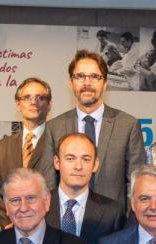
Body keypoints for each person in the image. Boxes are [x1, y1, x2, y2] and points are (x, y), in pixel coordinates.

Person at [41, 50, 147, 210]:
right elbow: (48, 184)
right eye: (80, 76)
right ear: (71, 83)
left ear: (105, 84)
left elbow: (136, 184)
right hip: (66, 224)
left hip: (113, 226)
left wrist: (126, 226)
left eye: (94, 77)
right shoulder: (53, 127)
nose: (87, 83)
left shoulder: (128, 125)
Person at [0, 77, 53, 229]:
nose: (34, 102)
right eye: (27, 98)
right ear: (18, 105)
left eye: (40, 97)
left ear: (50, 105)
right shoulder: (3, 146)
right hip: (11, 228)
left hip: (49, 227)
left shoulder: (59, 143)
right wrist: (9, 223)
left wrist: (40, 224)